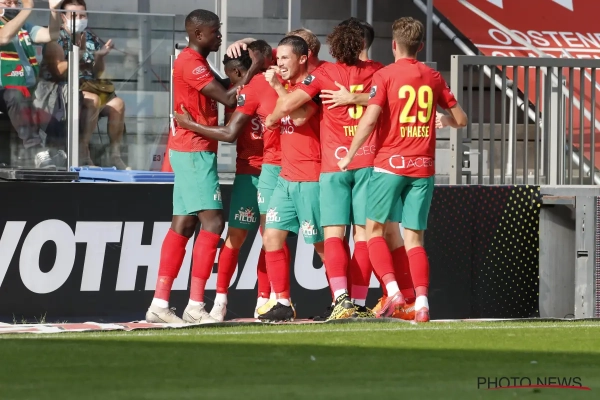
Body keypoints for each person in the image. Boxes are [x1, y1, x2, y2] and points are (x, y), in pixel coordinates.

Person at [338, 17, 467, 321]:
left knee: (373, 231)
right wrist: (445, 120)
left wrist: (349, 155)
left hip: (390, 165)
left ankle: (394, 291)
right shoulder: (433, 76)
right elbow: (461, 120)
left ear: (394, 45)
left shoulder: (385, 75)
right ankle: (421, 303)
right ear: (420, 46)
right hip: (423, 166)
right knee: (414, 239)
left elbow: (370, 119)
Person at [145, 9, 261, 324]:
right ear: (198, 34)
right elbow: (228, 98)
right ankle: (195, 305)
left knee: (183, 224)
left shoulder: (197, 62)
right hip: (194, 150)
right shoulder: (191, 63)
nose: (220, 36)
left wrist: (247, 55)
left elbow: (223, 85)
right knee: (213, 222)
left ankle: (159, 304)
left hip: (189, 149)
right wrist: (255, 68)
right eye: (215, 31)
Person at [258, 35, 323, 322]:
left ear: (303, 58)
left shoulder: (311, 87)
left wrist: (277, 87)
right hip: (285, 176)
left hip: (310, 176)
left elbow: (297, 117)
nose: (280, 63)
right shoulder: (288, 90)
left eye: (285, 58)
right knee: (271, 237)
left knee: (321, 245)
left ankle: (342, 298)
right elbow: (272, 118)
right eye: (278, 58)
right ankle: (283, 301)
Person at [42, 0, 127, 169]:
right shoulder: (55, 37)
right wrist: (79, 53)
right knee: (93, 100)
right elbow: (59, 71)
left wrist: (100, 57)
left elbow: (97, 72)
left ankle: (115, 155)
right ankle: (83, 151)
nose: (80, 19)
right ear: (63, 17)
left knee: (118, 104)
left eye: (83, 15)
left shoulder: (89, 37)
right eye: (75, 16)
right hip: (63, 88)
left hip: (88, 85)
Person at [0, 0, 64, 168]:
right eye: (8, 2)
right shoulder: (11, 25)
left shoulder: (24, 27)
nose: (13, 6)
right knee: (15, 95)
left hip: (22, 90)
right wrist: (28, 8)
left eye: (16, 2)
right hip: (5, 91)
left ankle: (57, 155)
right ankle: (35, 150)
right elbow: (3, 37)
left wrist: (54, 10)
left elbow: (51, 35)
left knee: (53, 122)